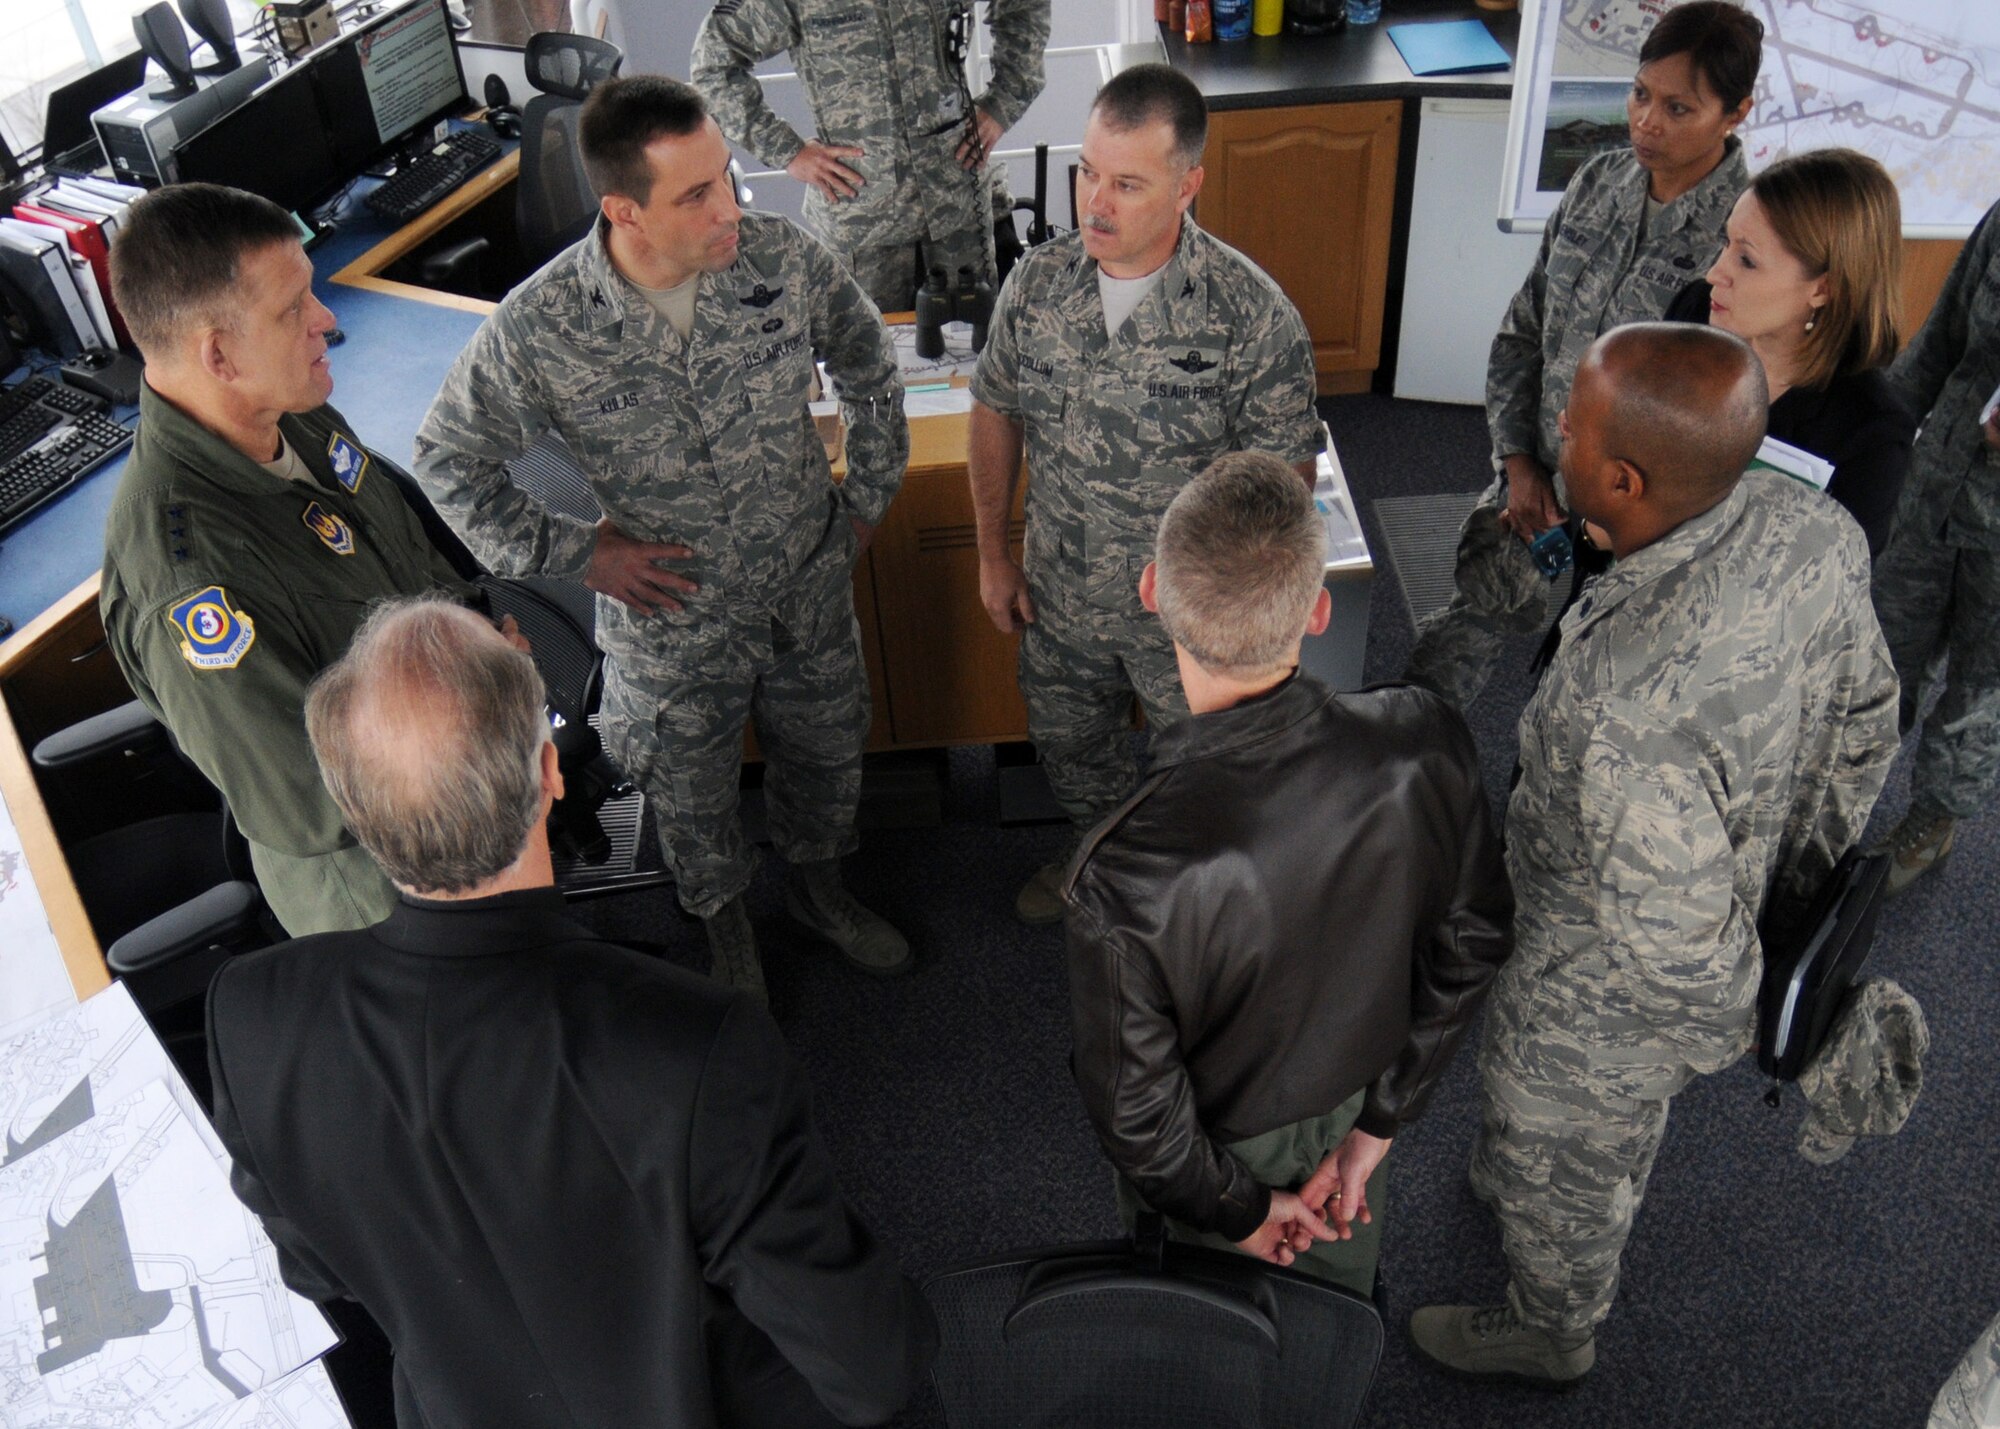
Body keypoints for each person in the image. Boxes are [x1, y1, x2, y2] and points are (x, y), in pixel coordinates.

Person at [206, 596, 936, 1428]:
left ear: (356, 810)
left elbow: (316, 1268)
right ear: (551, 773)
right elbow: (872, 1370)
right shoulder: (695, 1049)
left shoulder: (253, 1019)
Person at [1412, 324, 1899, 1385]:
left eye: (1572, 429)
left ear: (1620, 479)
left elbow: (1681, 967)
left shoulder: (1623, 714)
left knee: (1568, 1142)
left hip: (1605, 980)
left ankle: (1551, 1324)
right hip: (1700, 877)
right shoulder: (1805, 525)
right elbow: (1865, 713)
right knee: (1545, 1129)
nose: (1557, 436)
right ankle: (1520, 1167)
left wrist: (1652, 1045)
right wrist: (1792, 874)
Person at [415, 76, 911, 1000]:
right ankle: (727, 933)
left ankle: (818, 891)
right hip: (672, 619)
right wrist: (582, 554)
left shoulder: (777, 259)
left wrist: (868, 501)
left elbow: (870, 363)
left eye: (726, 176)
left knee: (827, 755)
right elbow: (449, 462)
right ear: (623, 210)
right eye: (696, 195)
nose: (731, 206)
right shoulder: (543, 325)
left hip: (806, 582)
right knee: (688, 799)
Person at [1064, 451, 1512, 1293]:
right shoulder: (1425, 738)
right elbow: (1475, 940)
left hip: (1211, 1158)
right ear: (1317, 612)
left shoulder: (1120, 876)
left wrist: (1240, 1212)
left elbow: (1140, 1120)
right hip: (1357, 1099)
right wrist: (1379, 1121)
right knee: (1333, 1320)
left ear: (1153, 592)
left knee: (1198, 1329)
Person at [968, 62, 1323, 925]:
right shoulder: (1039, 286)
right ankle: (1096, 858)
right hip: (1060, 592)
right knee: (1069, 746)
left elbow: (1283, 494)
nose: (1096, 201)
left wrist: (1244, 630)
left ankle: (1188, 905)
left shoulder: (1250, 316)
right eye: (1089, 171)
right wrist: (991, 552)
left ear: (1188, 183)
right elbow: (996, 407)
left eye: (1127, 183)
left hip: (1188, 619)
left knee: (1200, 775)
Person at [99, 182, 478, 937]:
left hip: (472, 788)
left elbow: (409, 559)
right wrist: (482, 718)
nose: (326, 320)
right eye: (293, 309)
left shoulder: (294, 416)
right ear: (219, 355)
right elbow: (306, 800)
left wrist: (479, 639)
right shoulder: (187, 581)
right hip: (389, 903)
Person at [1403, 0, 1760, 712]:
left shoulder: (1746, 237)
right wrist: (1518, 462)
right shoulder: (1599, 182)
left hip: (1642, 524)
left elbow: (1724, 421)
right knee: (1452, 644)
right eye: (1639, 95)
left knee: (1592, 697)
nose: (1646, 123)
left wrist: (1603, 510)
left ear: (1736, 112)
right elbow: (1522, 332)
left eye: (1678, 108)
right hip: (1536, 485)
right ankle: (1403, 762)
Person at [692, 0, 1050, 313]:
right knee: (866, 360)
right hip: (862, 223)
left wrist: (1003, 102)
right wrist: (787, 151)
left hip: (956, 206)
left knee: (975, 354)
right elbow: (713, 65)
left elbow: (1024, 9)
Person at [1665, 147, 1914, 556]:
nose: (1714, 274)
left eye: (1746, 260)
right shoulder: (1694, 311)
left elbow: (1832, 594)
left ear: (1822, 288)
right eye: (1725, 244)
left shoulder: (1871, 434)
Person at [1868, 194, 2000, 896]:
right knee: (1884, 643)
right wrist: (1878, 439)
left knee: (1983, 683)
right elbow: (1942, 340)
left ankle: (1935, 815)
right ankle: (1845, 783)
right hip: (1938, 479)